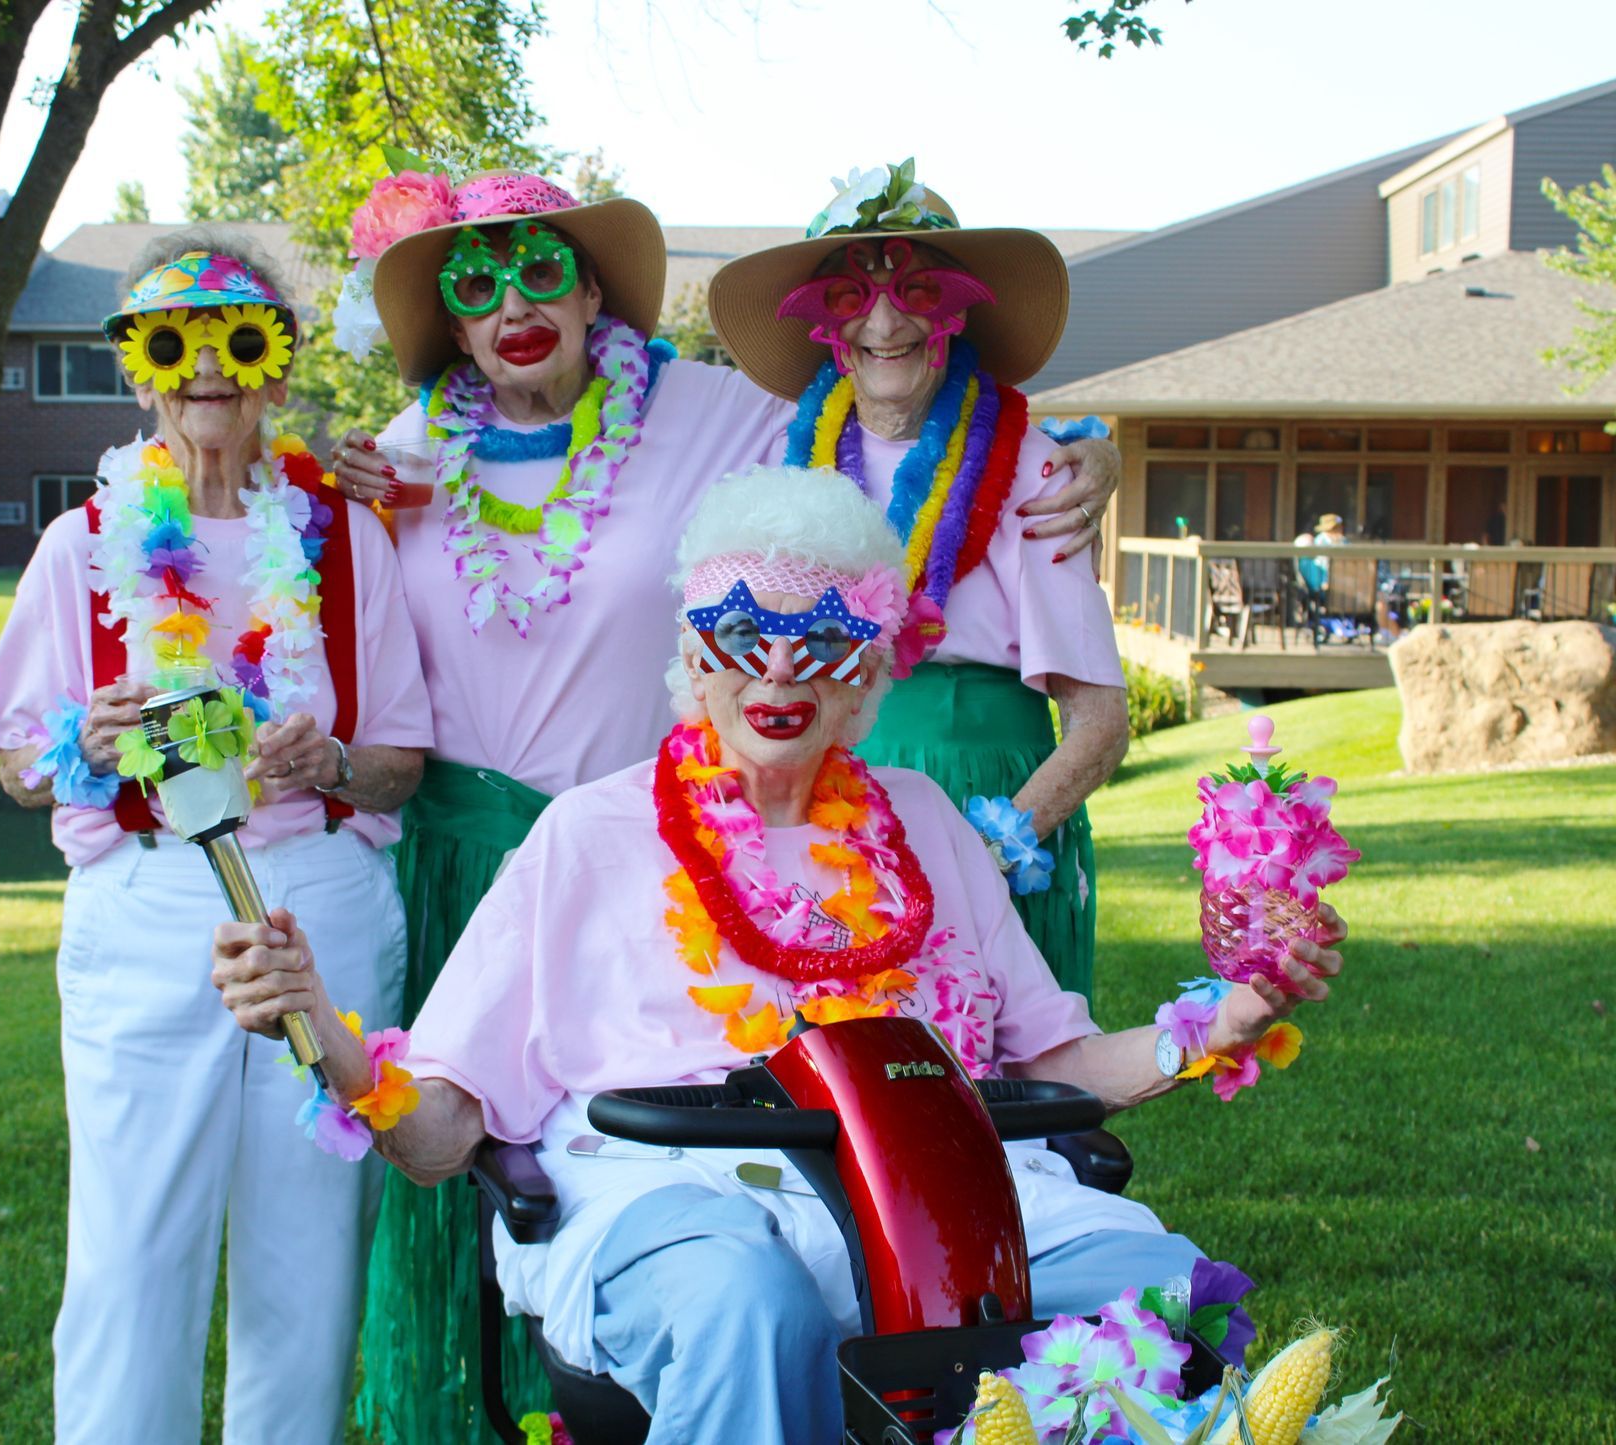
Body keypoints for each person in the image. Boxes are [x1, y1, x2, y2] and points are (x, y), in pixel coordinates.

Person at [210, 466, 1347, 1445]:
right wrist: (327, 1034)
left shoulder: (930, 825)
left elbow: (1059, 1063)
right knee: (750, 1298)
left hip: (944, 1189)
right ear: (694, 659)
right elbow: (446, 1127)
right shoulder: (590, 831)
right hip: (675, 1187)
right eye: (744, 634)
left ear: (868, 670)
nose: (781, 670)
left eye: (826, 639)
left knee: (1149, 1292)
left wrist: (1221, 1021)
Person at [323, 165, 1124, 1437]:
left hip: (783, 823)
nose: (513, 300)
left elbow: (885, 420)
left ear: (594, 289)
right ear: (448, 317)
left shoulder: (719, 413)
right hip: (519, 850)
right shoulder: (396, 457)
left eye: (542, 266)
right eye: (475, 280)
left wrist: (1081, 445)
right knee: (530, 1143)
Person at [0, 226, 434, 1444]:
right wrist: (80, 736)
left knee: (308, 1247)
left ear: (274, 362)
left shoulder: (344, 542)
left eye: (238, 338)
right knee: (131, 1246)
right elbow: (19, 763)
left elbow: (399, 765)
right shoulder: (83, 546)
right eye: (174, 343)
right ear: (139, 368)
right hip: (149, 902)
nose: (206, 370)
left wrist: (326, 760)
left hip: (318, 899)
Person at [709, 163, 1127, 1003]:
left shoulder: (1035, 468)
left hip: (988, 798)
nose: (885, 320)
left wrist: (990, 848)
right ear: (823, 326)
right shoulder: (785, 464)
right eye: (852, 296)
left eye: (916, 289)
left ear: (960, 310)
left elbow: (1099, 722)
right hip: (818, 812)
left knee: (997, 1099)